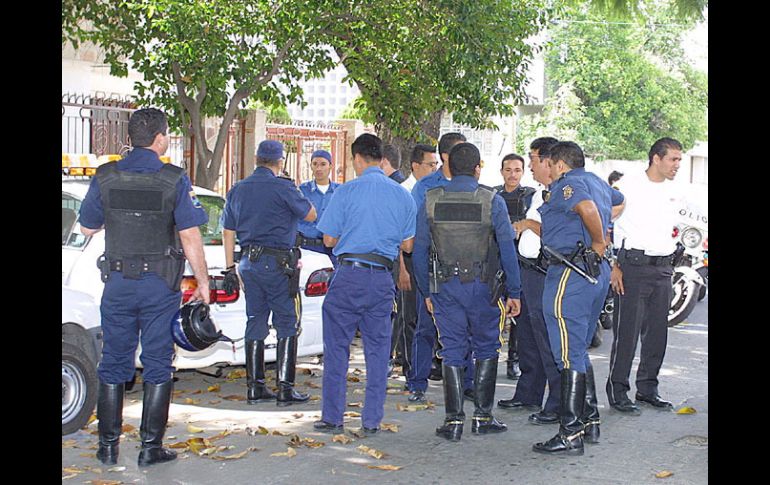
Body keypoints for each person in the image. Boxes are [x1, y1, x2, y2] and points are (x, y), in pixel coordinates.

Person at [79, 108, 210, 467]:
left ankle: (107, 447)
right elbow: (189, 234)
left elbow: (88, 227)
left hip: (118, 283)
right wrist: (203, 281)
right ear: (159, 138)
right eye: (167, 134)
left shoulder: (105, 176)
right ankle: (150, 448)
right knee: (156, 364)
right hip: (158, 287)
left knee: (113, 363)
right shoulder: (173, 179)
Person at [413, 142, 522, 441]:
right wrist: (515, 291)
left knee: (452, 349)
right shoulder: (492, 200)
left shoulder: (430, 199)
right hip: (484, 287)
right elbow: (507, 250)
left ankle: (453, 421)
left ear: (448, 167)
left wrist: (426, 292)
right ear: (478, 168)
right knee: (487, 347)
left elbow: (419, 251)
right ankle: (483, 416)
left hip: (445, 288)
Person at [313, 133, 417, 435]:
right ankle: (371, 419)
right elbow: (408, 245)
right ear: (381, 158)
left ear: (358, 159)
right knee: (378, 348)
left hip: (349, 274)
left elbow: (329, 239)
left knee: (336, 348)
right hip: (383, 278)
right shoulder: (402, 195)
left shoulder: (346, 192)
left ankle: (333, 417)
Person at [533, 141, 624, 456]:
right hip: (592, 274)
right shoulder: (598, 181)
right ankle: (590, 420)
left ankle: (570, 434)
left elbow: (585, 209)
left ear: (559, 164)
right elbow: (618, 202)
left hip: (570, 272)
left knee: (567, 354)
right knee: (579, 350)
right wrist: (601, 234)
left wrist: (598, 238)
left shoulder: (568, 185)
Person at [221, 140, 317, 407]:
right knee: (287, 321)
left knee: (255, 320)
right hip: (276, 264)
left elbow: (228, 230)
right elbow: (311, 214)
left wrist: (230, 267)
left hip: (247, 264)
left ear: (256, 158)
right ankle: (285, 388)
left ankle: (255, 387)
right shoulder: (284, 187)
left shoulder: (238, 189)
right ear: (280, 161)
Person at [606, 138, 683, 415]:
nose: (677, 165)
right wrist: (613, 265)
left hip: (663, 268)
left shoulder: (676, 191)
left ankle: (648, 388)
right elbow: (603, 221)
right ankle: (618, 390)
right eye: (673, 159)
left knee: (657, 335)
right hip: (633, 267)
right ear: (656, 158)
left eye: (679, 160)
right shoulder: (628, 186)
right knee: (627, 333)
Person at [497, 138, 563, 427]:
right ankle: (528, 393)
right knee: (528, 337)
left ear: (548, 161)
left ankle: (558, 402)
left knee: (548, 341)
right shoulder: (541, 194)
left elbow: (556, 231)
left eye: (533, 159)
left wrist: (526, 225)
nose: (530, 166)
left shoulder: (562, 193)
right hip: (527, 271)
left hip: (545, 272)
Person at [407, 132, 476, 403]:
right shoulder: (425, 188)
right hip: (434, 268)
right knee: (425, 327)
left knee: (466, 328)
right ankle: (417, 382)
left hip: (468, 271)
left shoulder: (474, 185)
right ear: (447, 156)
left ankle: (467, 382)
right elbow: (413, 232)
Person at [390, 144, 439, 375]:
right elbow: (398, 234)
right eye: (431, 164)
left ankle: (429, 360)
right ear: (415, 166)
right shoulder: (403, 191)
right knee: (409, 315)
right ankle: (410, 365)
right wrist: (402, 269)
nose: (435, 168)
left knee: (429, 313)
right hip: (407, 260)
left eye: (436, 164)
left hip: (429, 258)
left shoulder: (433, 188)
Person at [494, 154, 536, 380]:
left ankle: (514, 360)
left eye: (517, 170)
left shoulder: (530, 196)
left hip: (521, 259)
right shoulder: (492, 195)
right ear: (501, 171)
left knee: (519, 314)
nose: (512, 174)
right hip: (495, 258)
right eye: (508, 170)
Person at [297, 149, 341, 266]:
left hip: (334, 250)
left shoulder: (340, 191)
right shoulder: (302, 191)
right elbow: (296, 218)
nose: (318, 168)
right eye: (315, 164)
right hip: (308, 248)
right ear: (310, 166)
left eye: (323, 164)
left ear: (330, 166)